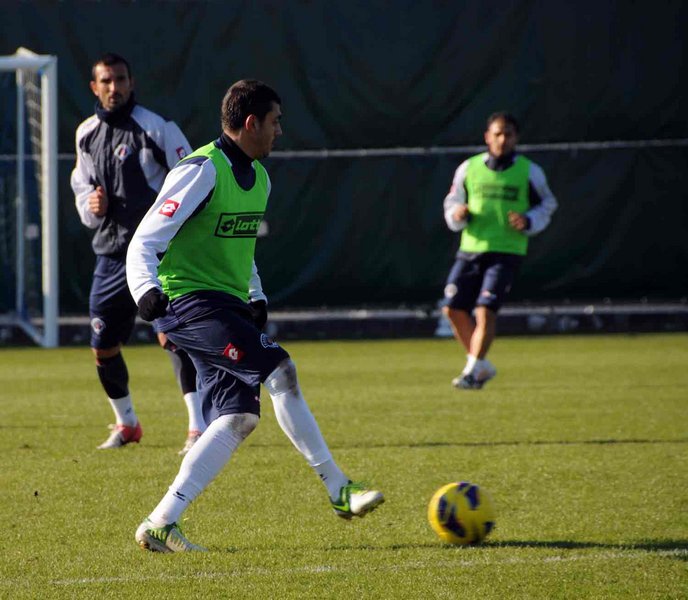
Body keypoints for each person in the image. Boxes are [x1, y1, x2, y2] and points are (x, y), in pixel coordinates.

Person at [126, 79, 384, 553]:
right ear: (251, 123)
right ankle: (339, 489)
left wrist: (255, 292)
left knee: (238, 417)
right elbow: (144, 239)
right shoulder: (202, 169)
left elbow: (240, 246)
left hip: (225, 304)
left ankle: (161, 523)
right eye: (275, 122)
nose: (279, 131)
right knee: (280, 371)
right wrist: (144, 290)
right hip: (187, 301)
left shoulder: (260, 179)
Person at [70, 53, 205, 453]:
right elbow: (82, 187)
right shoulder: (86, 134)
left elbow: (194, 176)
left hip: (157, 252)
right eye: (106, 81)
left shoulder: (158, 128)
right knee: (103, 345)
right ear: (94, 87)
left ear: (132, 83)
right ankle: (127, 424)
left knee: (172, 335)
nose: (114, 87)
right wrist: (91, 207)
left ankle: (197, 428)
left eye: (121, 79)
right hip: (112, 254)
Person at [442, 111, 557, 389]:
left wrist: (529, 220)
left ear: (516, 138)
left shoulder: (529, 171)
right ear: (487, 137)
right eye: (497, 134)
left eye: (508, 134)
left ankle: (472, 372)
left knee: (485, 310)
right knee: (453, 309)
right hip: (471, 248)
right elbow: (453, 201)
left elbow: (548, 204)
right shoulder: (469, 168)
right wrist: (457, 214)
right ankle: (480, 364)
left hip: (506, 251)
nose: (502, 139)